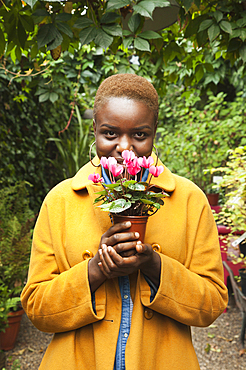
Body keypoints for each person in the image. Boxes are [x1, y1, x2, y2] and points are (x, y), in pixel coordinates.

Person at [21, 74, 228, 369]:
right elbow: (37, 308)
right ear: (94, 130)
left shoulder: (189, 201)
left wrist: (154, 266)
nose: (124, 147)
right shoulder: (61, 201)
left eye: (140, 135)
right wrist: (96, 269)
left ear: (154, 131)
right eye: (110, 133)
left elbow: (212, 303)